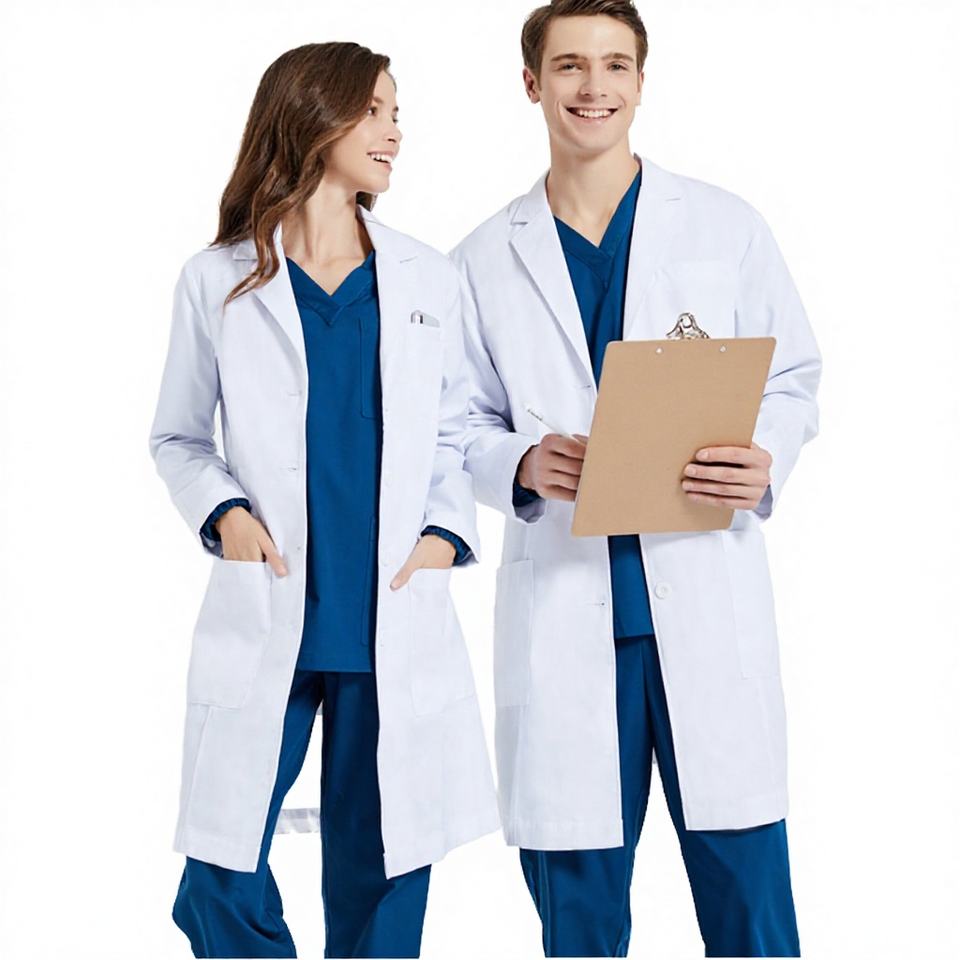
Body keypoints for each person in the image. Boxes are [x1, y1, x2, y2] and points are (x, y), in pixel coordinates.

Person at [449, 2, 821, 956]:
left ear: (642, 82)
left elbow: (792, 376)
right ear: (532, 83)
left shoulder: (725, 227)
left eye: (616, 65)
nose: (594, 87)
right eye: (570, 65)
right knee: (579, 921)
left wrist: (764, 454)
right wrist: (519, 463)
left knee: (751, 912)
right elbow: (452, 428)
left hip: (703, 597)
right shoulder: (481, 259)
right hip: (567, 617)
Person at [148, 41, 499, 959]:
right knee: (220, 871)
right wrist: (224, 514)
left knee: (384, 868)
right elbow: (178, 438)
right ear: (313, 115)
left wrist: (443, 533)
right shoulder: (217, 279)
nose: (395, 132)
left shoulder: (427, 277)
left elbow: (455, 432)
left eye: (396, 112)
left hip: (391, 609)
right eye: (374, 110)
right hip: (274, 606)